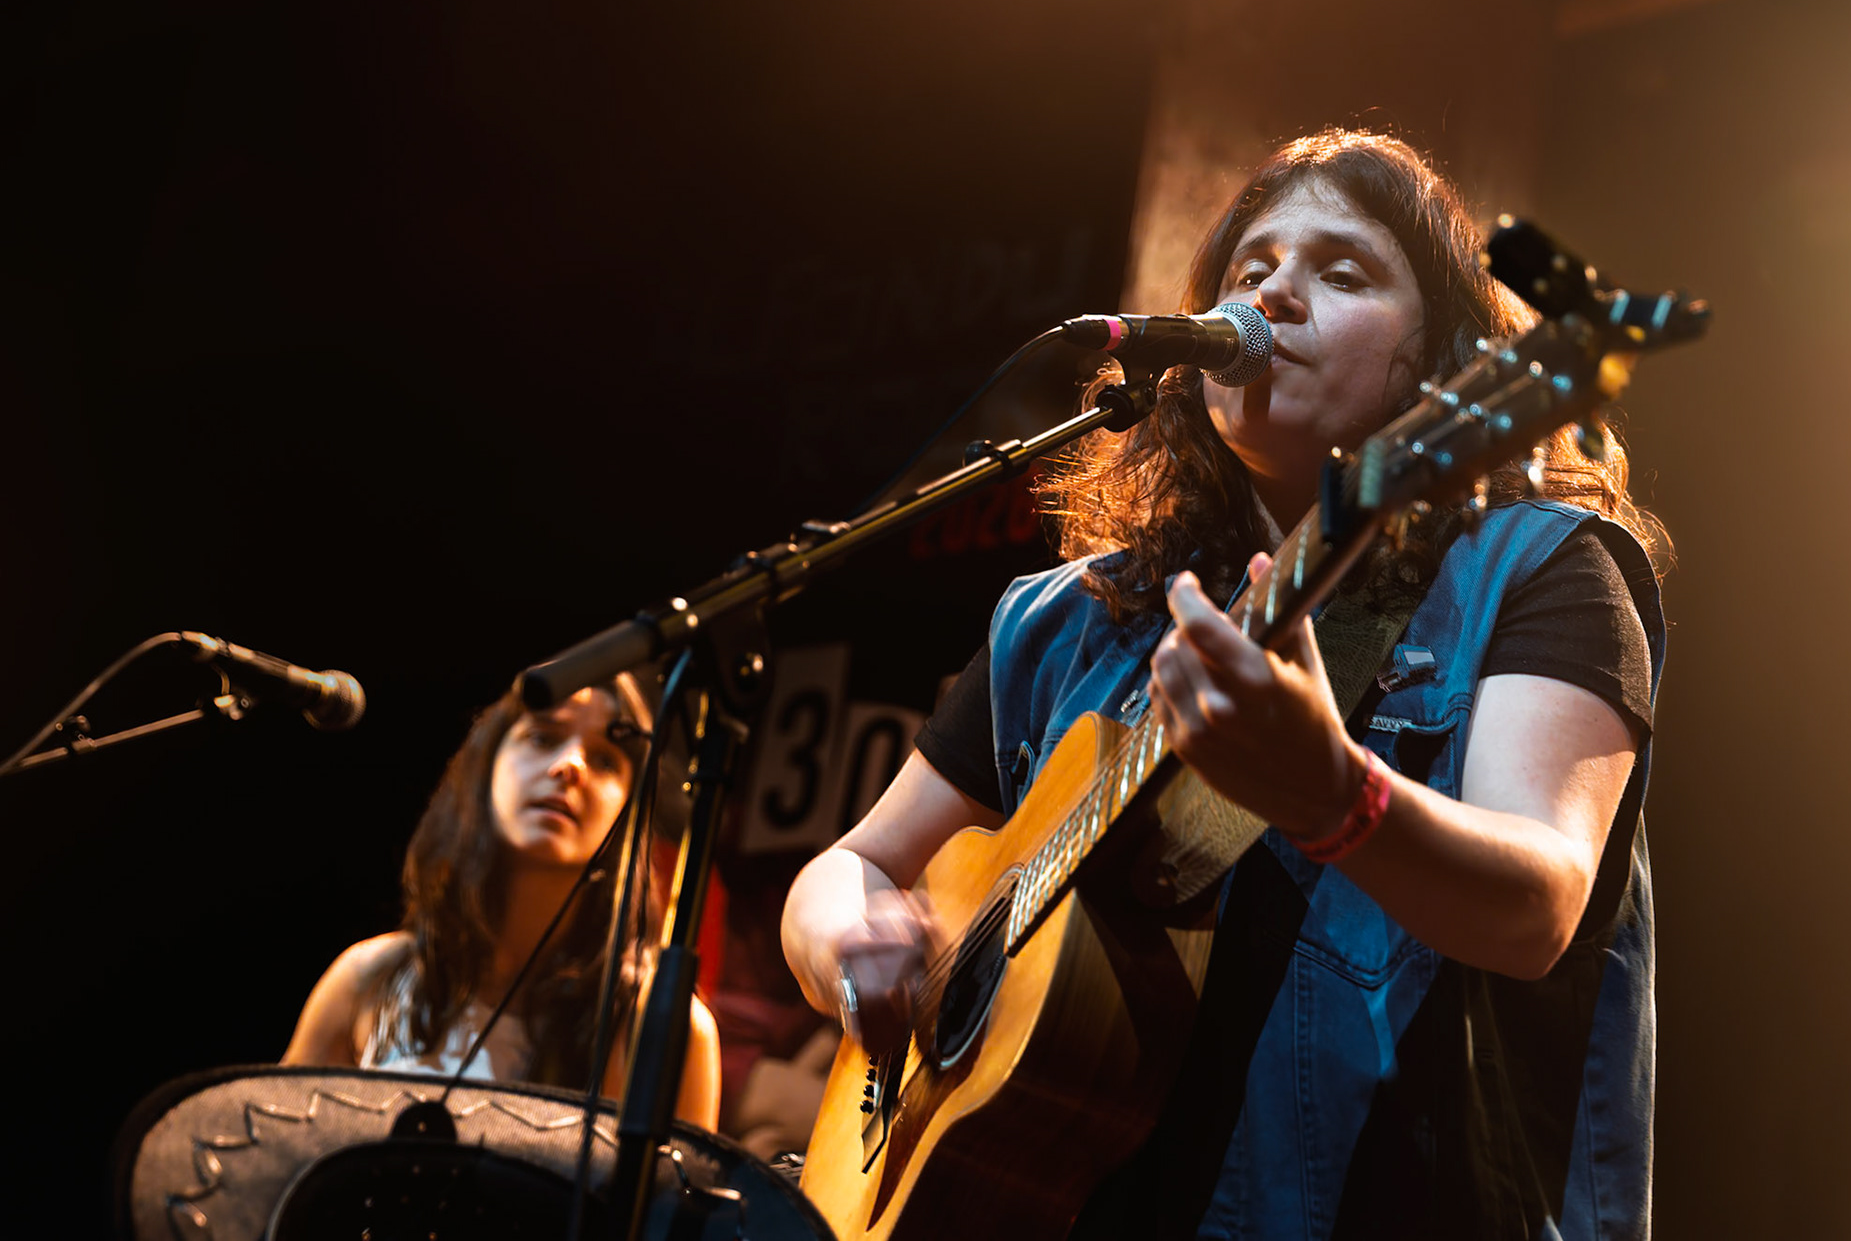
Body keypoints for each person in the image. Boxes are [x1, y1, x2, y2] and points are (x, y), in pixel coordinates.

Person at [781, 128, 1665, 1238]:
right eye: (1252, 272)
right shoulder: (1061, 618)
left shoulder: (1539, 567)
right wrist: (851, 945)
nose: (1278, 294)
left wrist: (1333, 794)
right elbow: (852, 863)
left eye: (1343, 274)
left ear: (1442, 365)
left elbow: (1537, 903)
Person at [284, 675, 722, 1129]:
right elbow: (273, 1162)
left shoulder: (669, 1031)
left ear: (628, 812)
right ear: (487, 764)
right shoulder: (367, 978)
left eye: (606, 760)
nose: (570, 764)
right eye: (542, 737)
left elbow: (676, 1199)